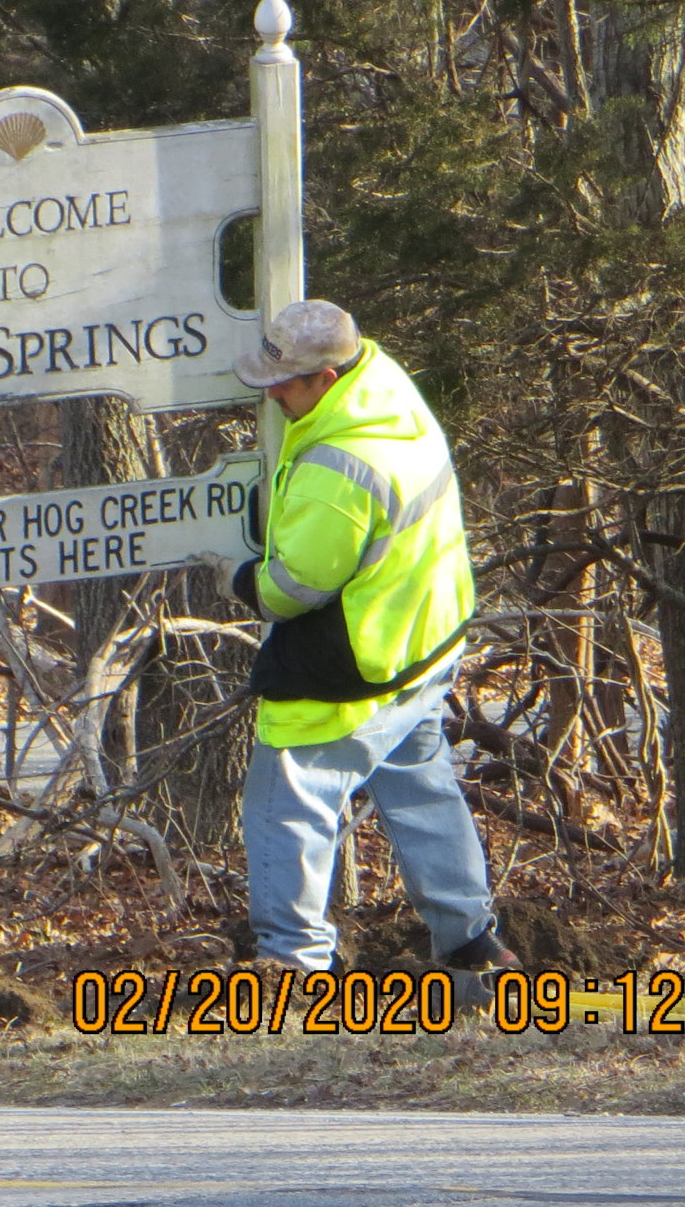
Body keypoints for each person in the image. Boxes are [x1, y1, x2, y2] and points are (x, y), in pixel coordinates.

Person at [229, 299, 518, 975]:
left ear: (326, 380)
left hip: (356, 661)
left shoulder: (339, 464)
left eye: (286, 383)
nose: (272, 393)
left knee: (286, 804)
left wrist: (244, 578)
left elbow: (292, 587)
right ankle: (472, 942)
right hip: (420, 643)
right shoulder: (383, 385)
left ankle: (294, 969)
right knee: (422, 791)